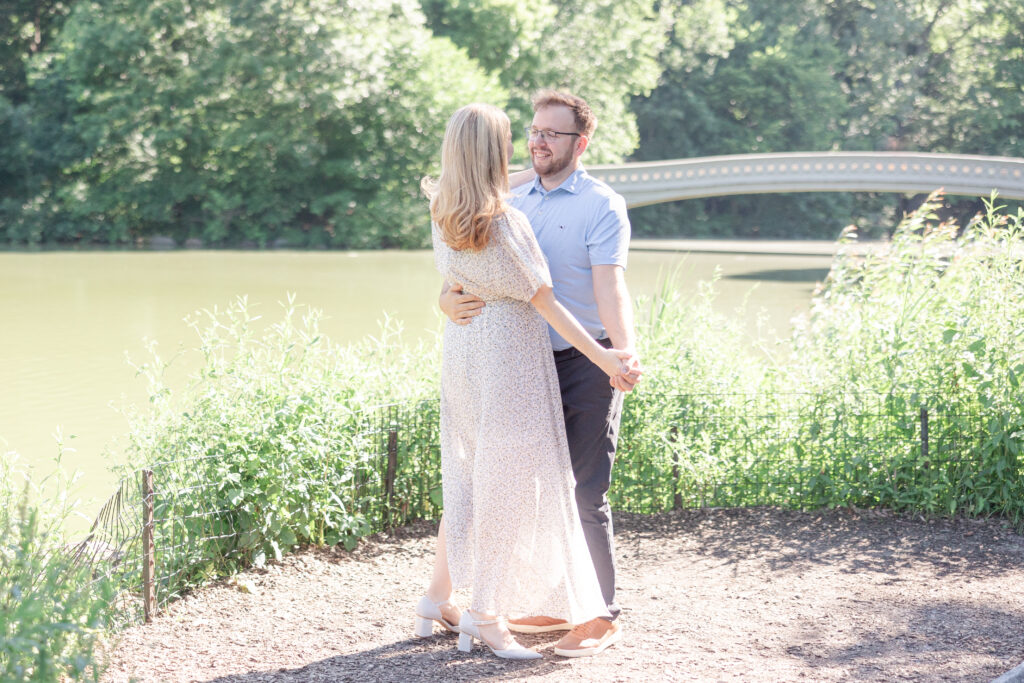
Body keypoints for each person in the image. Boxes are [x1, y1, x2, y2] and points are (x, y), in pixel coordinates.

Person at [415, 103, 635, 660]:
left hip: (528, 359)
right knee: (494, 483)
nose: (535, 142)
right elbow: (526, 295)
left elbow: (609, 286)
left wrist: (618, 351)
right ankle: (481, 609)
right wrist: (443, 299)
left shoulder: (597, 205)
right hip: (512, 363)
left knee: (559, 488)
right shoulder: (505, 207)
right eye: (529, 132)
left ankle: (586, 613)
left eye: (549, 134)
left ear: (579, 142)